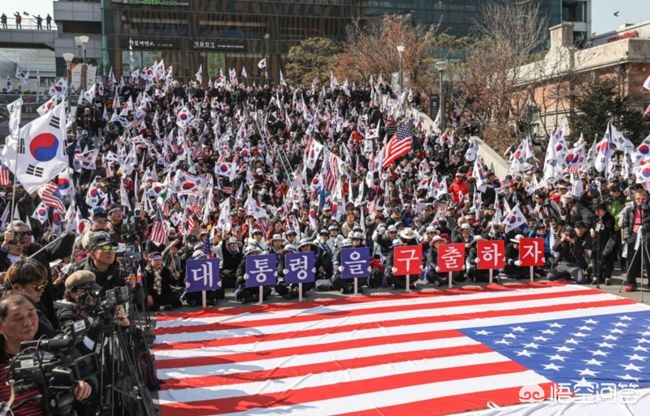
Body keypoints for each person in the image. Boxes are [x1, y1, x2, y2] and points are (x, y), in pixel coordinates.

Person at [0, 294, 93, 415]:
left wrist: (81, 387)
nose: (28, 323)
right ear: (1, 327)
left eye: (31, 314)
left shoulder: (55, 349)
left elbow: (88, 378)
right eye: (18, 318)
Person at [3, 259, 57, 338]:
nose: (42, 290)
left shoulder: (35, 305)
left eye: (44, 285)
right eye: (38, 287)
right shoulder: (5, 315)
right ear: (17, 287)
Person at [621, 188, 650, 292]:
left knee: (648, 259)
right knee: (631, 259)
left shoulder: (648, 209)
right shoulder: (629, 208)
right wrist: (627, 237)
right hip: (633, 234)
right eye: (638, 199)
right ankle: (631, 283)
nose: (640, 201)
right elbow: (625, 223)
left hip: (646, 234)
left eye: (643, 199)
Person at [590, 202, 616, 285]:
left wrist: (602, 226)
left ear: (604, 210)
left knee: (607, 258)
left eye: (599, 211)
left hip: (606, 240)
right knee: (595, 258)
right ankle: (595, 276)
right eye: (596, 211)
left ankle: (607, 277)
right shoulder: (595, 217)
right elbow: (591, 225)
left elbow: (610, 229)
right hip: (596, 240)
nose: (597, 213)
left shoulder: (610, 217)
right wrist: (591, 229)